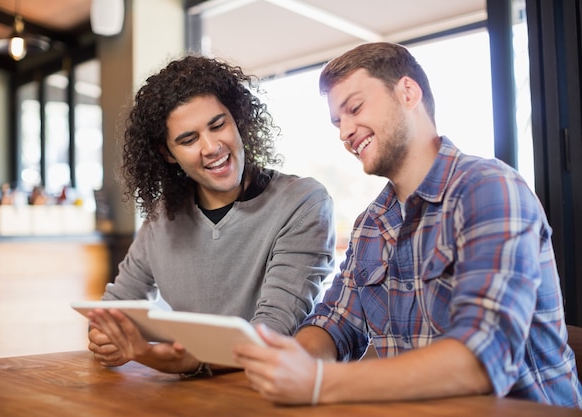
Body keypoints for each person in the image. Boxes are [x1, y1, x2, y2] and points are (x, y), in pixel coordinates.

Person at [233, 42, 582, 408]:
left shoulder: (488, 189)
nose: (344, 132)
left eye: (355, 109)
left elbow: (480, 360)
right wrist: (294, 359)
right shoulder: (371, 223)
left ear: (408, 92)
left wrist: (320, 381)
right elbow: (335, 322)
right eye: (338, 122)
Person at [86, 55, 336, 377]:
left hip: (272, 393)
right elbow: (114, 306)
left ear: (238, 120)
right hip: (187, 400)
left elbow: (272, 333)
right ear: (167, 153)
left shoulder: (302, 203)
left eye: (218, 125)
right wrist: (105, 336)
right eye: (188, 140)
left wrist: (186, 359)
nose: (211, 147)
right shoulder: (162, 219)